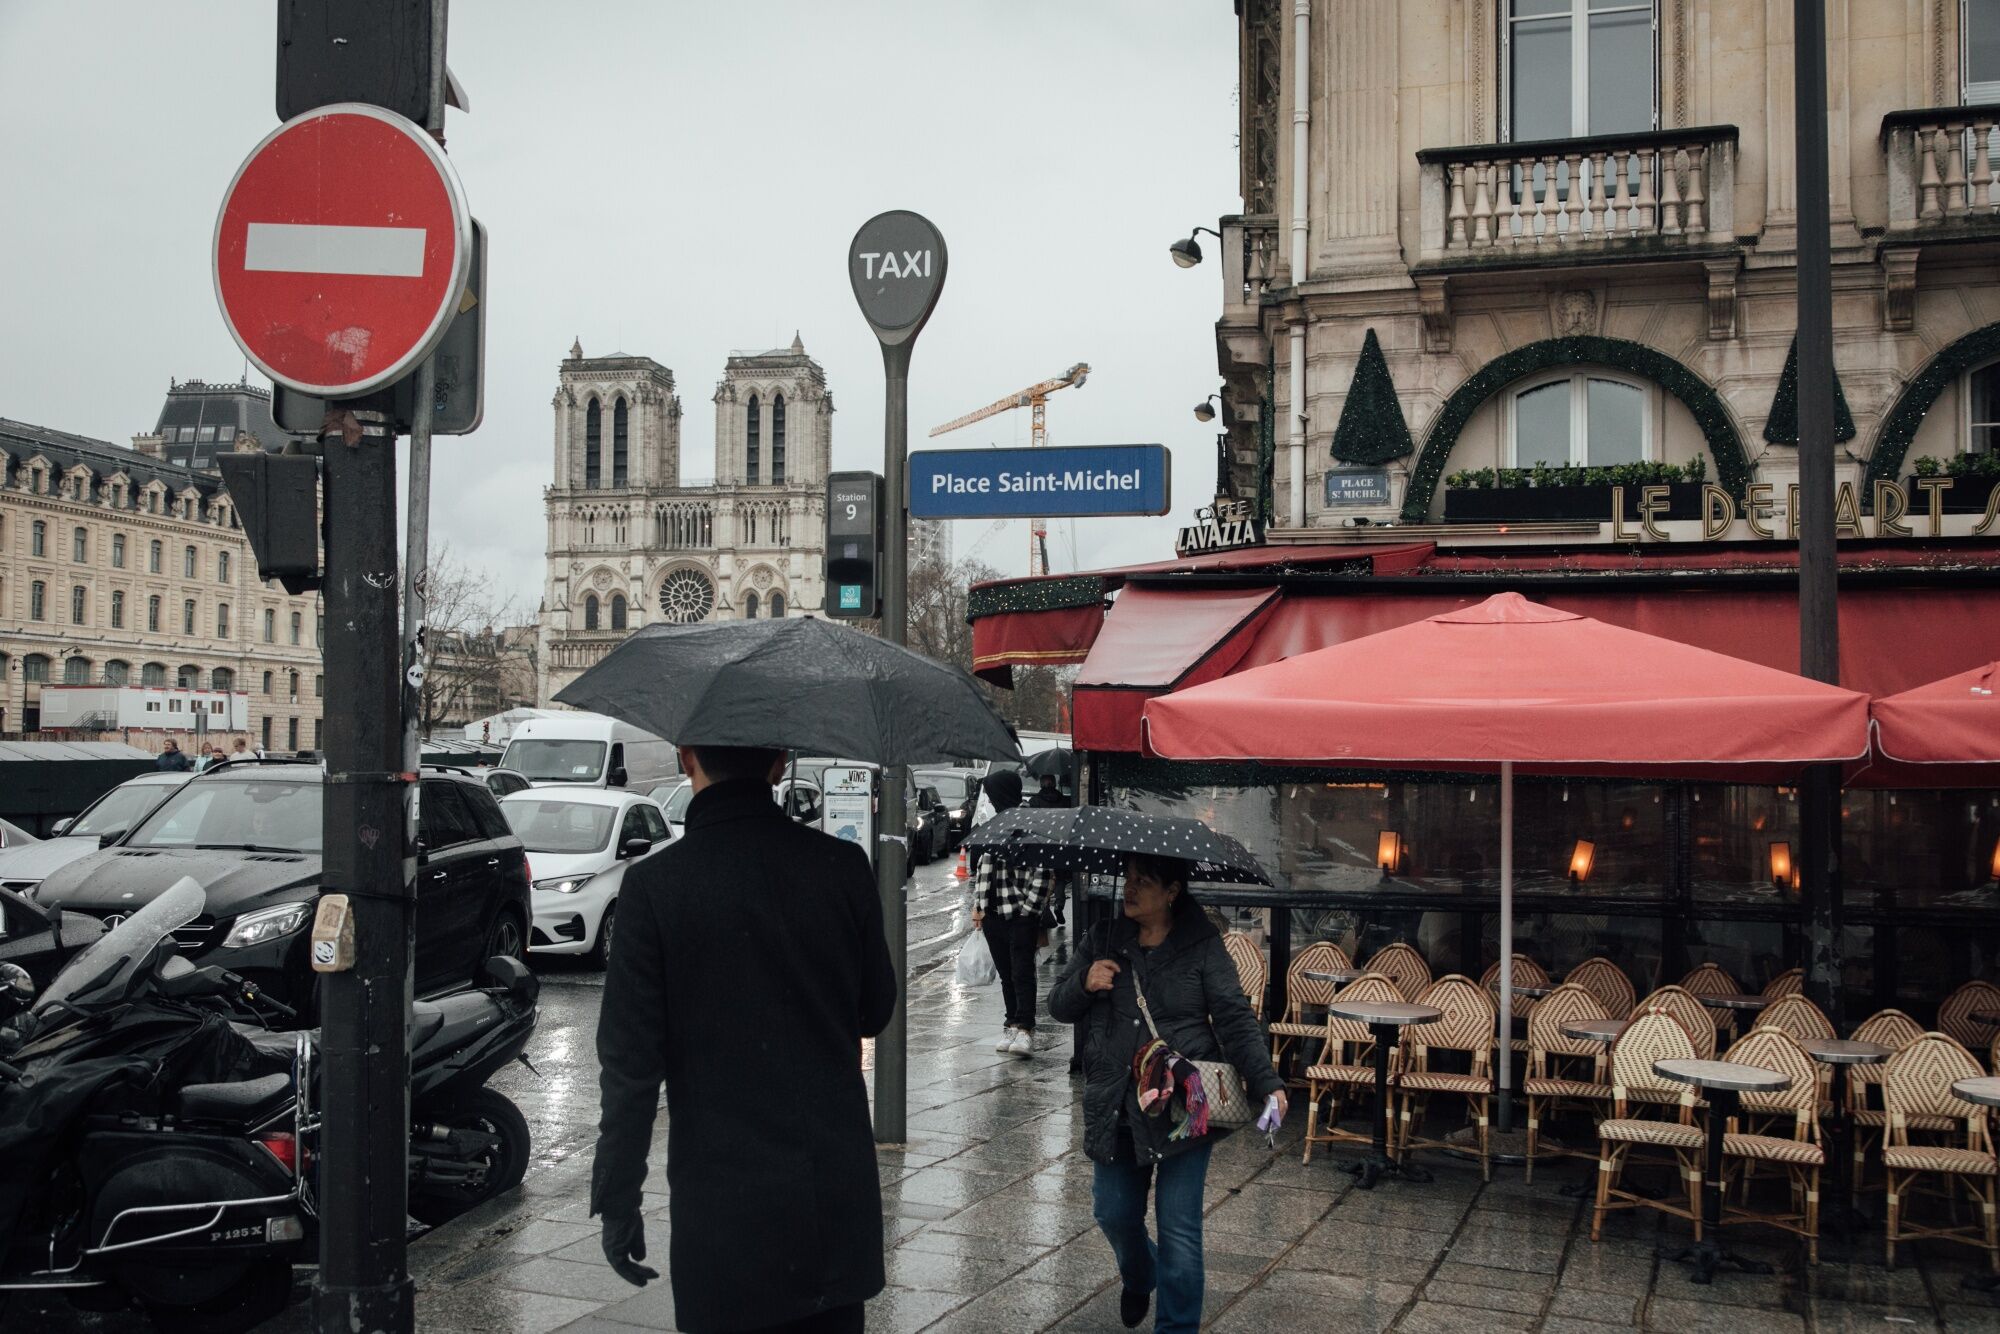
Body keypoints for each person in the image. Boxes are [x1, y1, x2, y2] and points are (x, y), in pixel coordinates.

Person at [591, 743, 897, 1334]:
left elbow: (630, 1068)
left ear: (686, 759)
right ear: (779, 763)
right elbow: (875, 1010)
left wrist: (618, 1196)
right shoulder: (841, 866)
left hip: (724, 1209)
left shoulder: (655, 886)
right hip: (829, 1196)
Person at [1048, 854, 1286, 1333]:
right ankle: (1141, 1275)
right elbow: (1057, 1005)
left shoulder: (1202, 945)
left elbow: (1235, 1017)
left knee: (1179, 1229)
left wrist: (1268, 1083)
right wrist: (1084, 982)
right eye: (1128, 878)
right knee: (1113, 1213)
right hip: (1117, 1104)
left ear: (1173, 892)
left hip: (1183, 1109)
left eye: (1144, 881)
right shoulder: (1103, 939)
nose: (1130, 888)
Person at [969, 768, 1052, 1059]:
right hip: (993, 914)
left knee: (1022, 972)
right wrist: (979, 906)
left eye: (992, 793)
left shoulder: (1028, 825)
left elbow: (1042, 871)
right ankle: (1012, 1023)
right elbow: (982, 869)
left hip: (1019, 915)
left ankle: (1026, 1028)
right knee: (1006, 974)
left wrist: (1028, 912)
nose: (990, 799)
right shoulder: (992, 825)